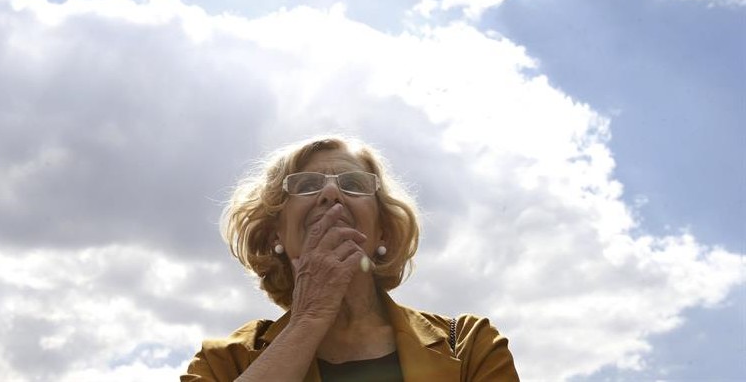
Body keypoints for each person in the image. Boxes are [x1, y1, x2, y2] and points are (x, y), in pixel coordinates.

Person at [181, 136, 519, 381]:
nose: (331, 193)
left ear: (383, 232)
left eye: (354, 184)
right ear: (275, 236)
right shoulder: (225, 361)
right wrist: (308, 318)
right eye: (306, 185)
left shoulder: (470, 344)